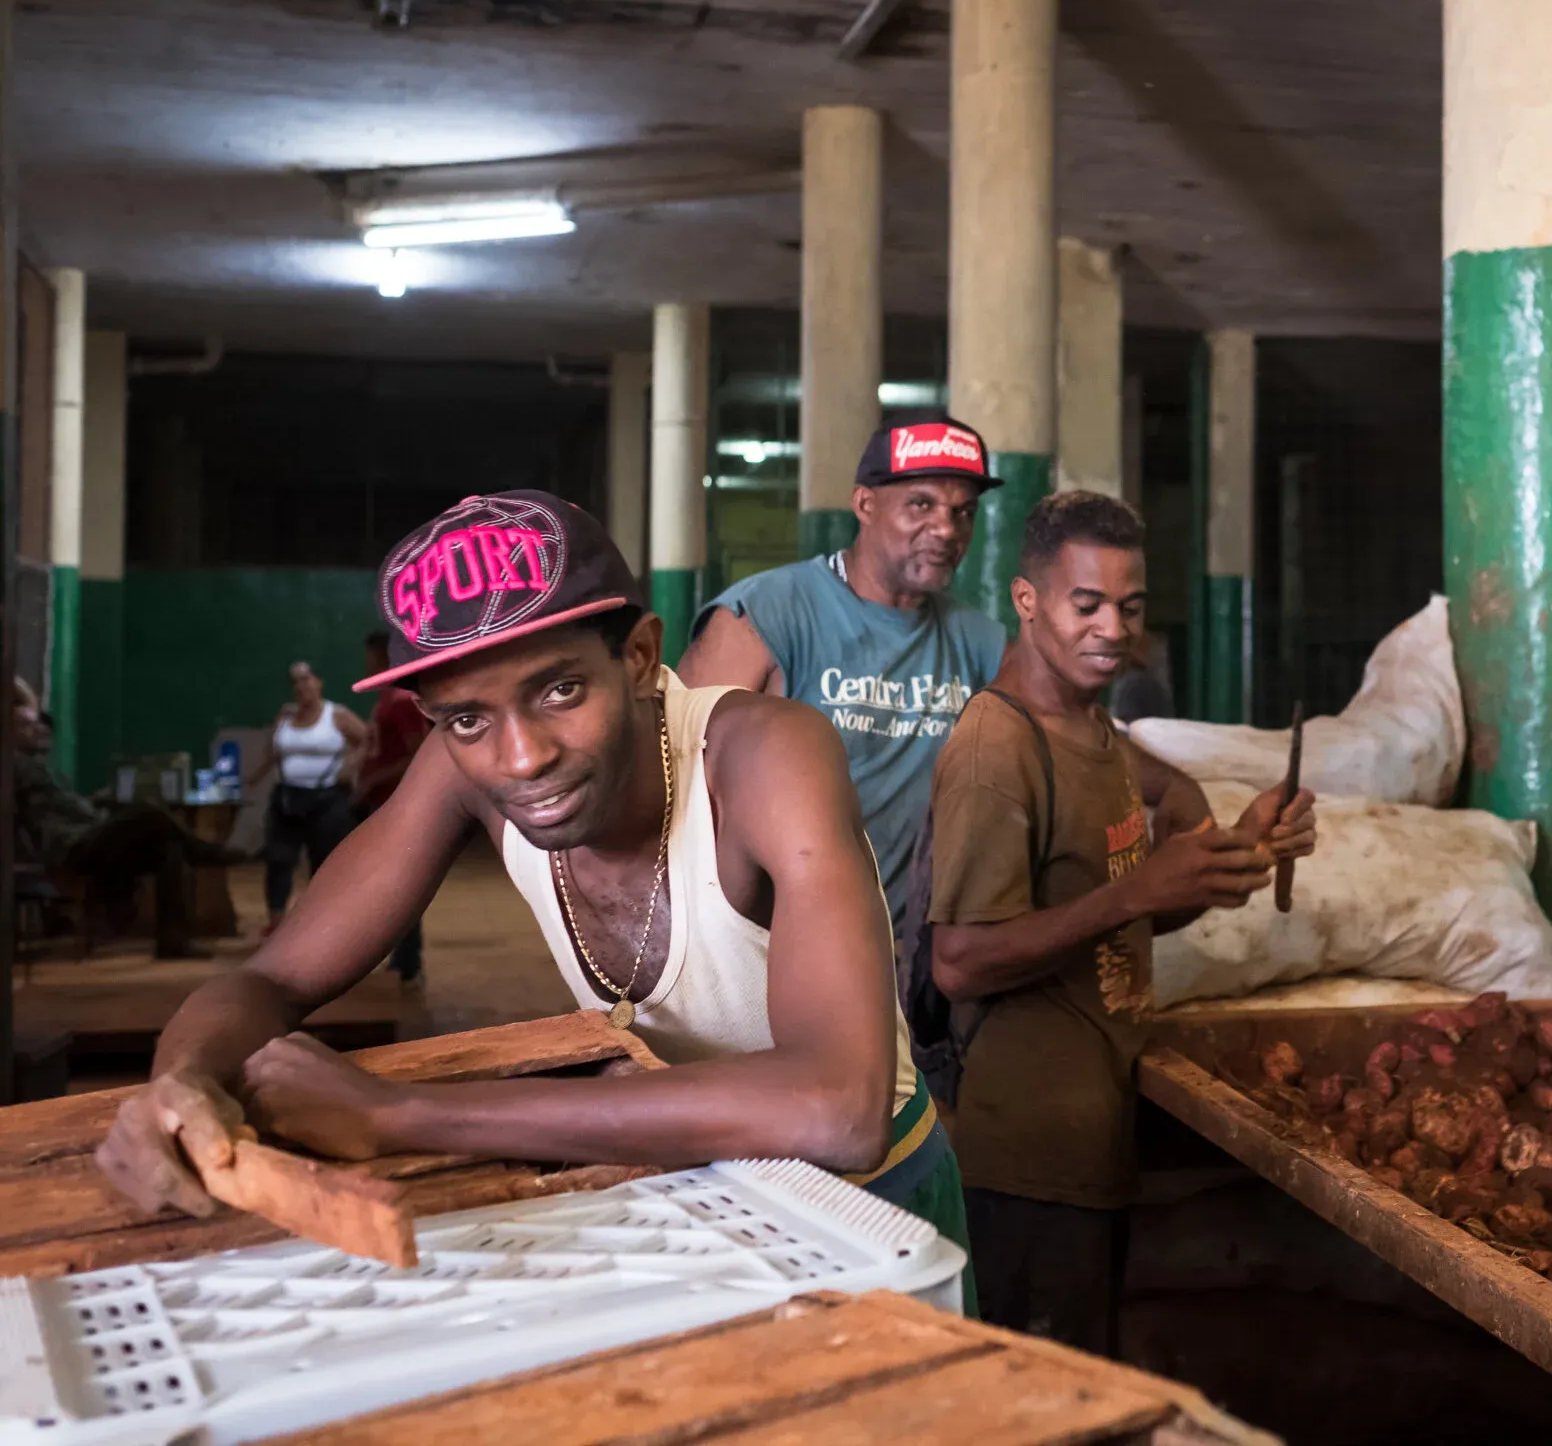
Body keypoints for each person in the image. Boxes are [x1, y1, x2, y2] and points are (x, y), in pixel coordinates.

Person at [93, 491, 968, 1272]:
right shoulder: (461, 765)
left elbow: (838, 1107)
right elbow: (273, 979)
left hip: (871, 1205)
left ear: (636, 656)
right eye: (466, 717)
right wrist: (179, 1090)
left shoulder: (765, 754)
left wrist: (401, 1114)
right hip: (687, 1181)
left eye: (558, 691)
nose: (520, 757)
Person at [925, 491, 1317, 1352]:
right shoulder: (999, 748)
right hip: (1028, 1159)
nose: (1113, 628)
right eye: (1087, 604)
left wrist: (1235, 860)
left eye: (1130, 607)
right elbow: (958, 961)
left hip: (1092, 1141)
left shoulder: (1097, 734)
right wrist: (1137, 892)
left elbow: (1109, 922)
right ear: (1028, 602)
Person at [678, 413, 1008, 921]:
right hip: (778, 941)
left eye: (963, 512)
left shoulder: (979, 638)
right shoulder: (765, 615)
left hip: (911, 946)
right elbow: (677, 777)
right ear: (865, 504)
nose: (946, 529)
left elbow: (1052, 738)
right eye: (921, 504)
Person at [12, 689, 241, 958]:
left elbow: (67, 807)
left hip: (91, 832)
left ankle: (173, 941)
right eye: (26, 725)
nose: (36, 729)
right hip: (73, 846)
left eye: (35, 723)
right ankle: (204, 851)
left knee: (169, 849)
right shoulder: (14, 764)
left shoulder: (40, 766)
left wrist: (95, 801)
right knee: (149, 812)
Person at [244, 661, 367, 934]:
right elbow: (272, 753)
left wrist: (351, 765)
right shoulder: (286, 717)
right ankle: (276, 922)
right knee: (278, 859)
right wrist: (252, 779)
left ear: (319, 682)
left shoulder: (336, 715)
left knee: (323, 861)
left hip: (327, 799)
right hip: (287, 797)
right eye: (296, 681)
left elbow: (367, 739)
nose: (301, 686)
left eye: (306, 679)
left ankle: (321, 923)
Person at [353, 629, 431, 987]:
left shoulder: (401, 699)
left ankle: (408, 961)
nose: (367, 662)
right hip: (378, 800)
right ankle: (401, 957)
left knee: (400, 884)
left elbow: (419, 753)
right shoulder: (386, 697)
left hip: (393, 802)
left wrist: (374, 779)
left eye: (371, 656)